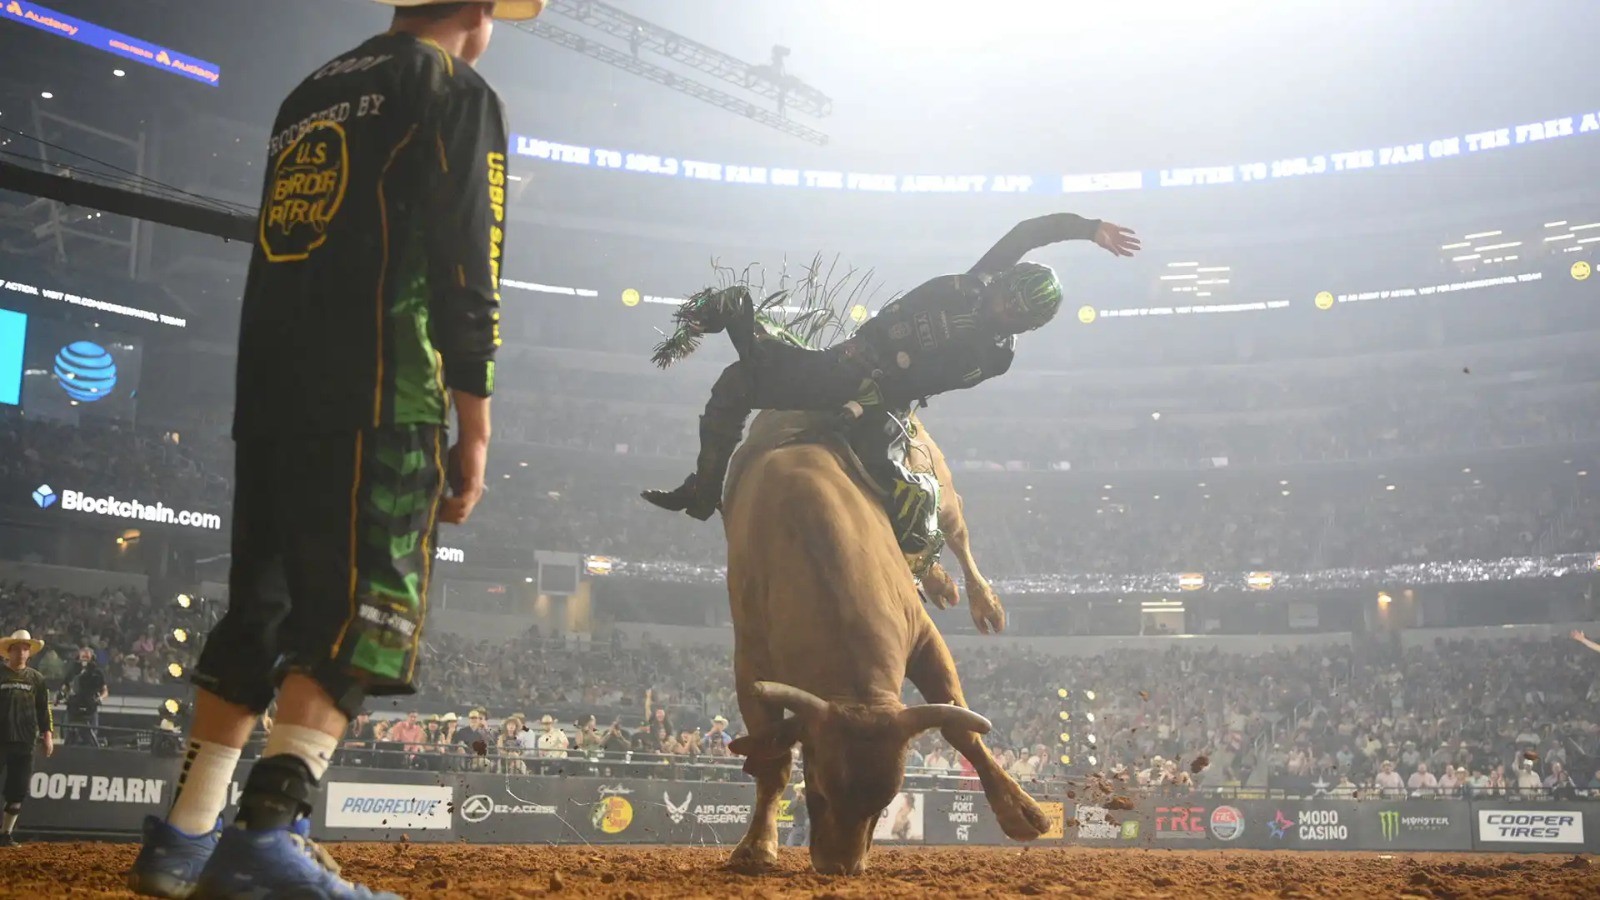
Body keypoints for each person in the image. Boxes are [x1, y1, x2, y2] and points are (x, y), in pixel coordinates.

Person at [126, 1, 528, 896]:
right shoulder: (456, 89)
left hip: (269, 390)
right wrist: (478, 428)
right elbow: (472, 265)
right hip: (384, 388)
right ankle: (264, 839)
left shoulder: (310, 91)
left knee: (259, 610)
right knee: (362, 617)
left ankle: (183, 838)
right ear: (477, 14)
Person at [643, 212, 1140, 520]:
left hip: (869, 387)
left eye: (1015, 312)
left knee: (740, 381)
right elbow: (1027, 232)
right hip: (847, 355)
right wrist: (1089, 229)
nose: (1003, 308)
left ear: (1025, 325)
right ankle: (704, 491)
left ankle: (911, 557)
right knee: (738, 366)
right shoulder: (979, 280)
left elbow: (923, 380)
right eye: (1008, 297)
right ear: (1006, 284)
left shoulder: (994, 356)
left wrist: (864, 400)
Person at [0, 631, 53, 847]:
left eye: (25, 648)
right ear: (9, 651)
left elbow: (44, 709)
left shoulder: (37, 679)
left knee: (18, 790)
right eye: (17, 648)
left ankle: (5, 834)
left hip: (24, 741)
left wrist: (47, 735)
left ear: (29, 653)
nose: (21, 652)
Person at [61, 646, 107, 747]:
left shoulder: (98, 672)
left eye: (87, 656)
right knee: (69, 736)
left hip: (90, 708)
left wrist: (100, 698)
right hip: (73, 708)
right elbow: (65, 685)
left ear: (92, 657)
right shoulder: (73, 670)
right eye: (83, 656)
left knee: (91, 738)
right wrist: (65, 693)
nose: (84, 659)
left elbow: (104, 690)